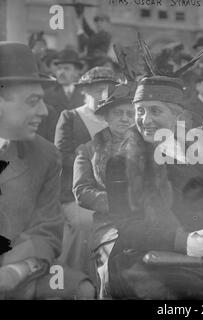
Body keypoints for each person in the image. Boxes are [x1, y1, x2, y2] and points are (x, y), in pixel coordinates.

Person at [96, 72, 203, 299]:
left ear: (177, 115)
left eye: (156, 111)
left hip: (199, 254)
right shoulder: (121, 161)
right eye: (140, 111)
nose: (145, 120)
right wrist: (181, 240)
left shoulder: (196, 153)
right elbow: (128, 227)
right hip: (143, 258)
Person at [0, 41, 94, 299]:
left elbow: (47, 232)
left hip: (21, 271)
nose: (44, 111)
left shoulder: (44, 155)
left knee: (81, 289)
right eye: (33, 101)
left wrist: (16, 271)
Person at [54, 66, 118, 274]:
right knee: (85, 224)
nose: (104, 95)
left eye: (109, 90)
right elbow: (61, 155)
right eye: (99, 90)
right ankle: (81, 279)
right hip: (76, 192)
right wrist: (93, 162)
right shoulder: (71, 116)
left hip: (110, 192)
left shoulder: (117, 119)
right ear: (85, 91)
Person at [72, 83, 135, 286]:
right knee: (113, 270)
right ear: (106, 117)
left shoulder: (150, 148)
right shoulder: (88, 150)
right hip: (109, 226)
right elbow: (82, 191)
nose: (125, 118)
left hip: (147, 221)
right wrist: (119, 201)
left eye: (130, 113)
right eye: (118, 113)